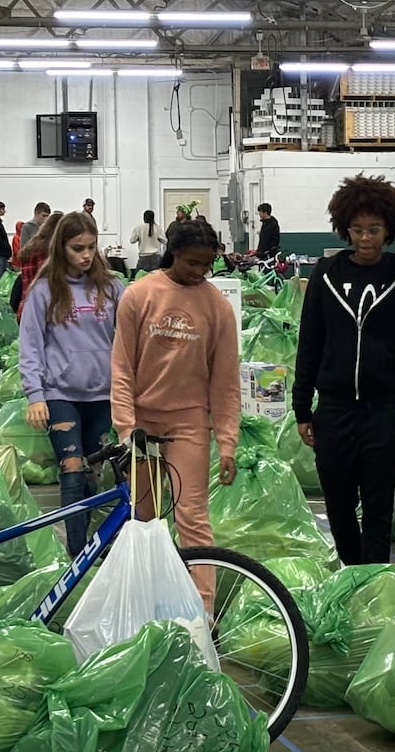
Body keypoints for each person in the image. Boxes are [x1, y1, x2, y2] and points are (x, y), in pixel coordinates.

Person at [293, 176, 395, 565]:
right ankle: (350, 576)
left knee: (378, 508)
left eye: (374, 230)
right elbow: (310, 343)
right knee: (337, 505)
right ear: (344, 228)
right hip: (333, 411)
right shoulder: (325, 274)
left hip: (383, 412)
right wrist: (302, 407)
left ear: (390, 229)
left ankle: (373, 583)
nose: (365, 239)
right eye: (357, 230)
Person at [110, 219, 240, 604]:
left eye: (207, 264)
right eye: (192, 263)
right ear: (173, 254)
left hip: (189, 425)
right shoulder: (139, 295)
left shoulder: (217, 307)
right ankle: (147, 603)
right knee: (145, 522)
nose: (200, 272)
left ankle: (202, 612)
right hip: (141, 426)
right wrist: (125, 428)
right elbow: (121, 368)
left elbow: (226, 381)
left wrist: (227, 442)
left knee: (193, 519)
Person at [18, 211, 124, 556]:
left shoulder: (110, 287)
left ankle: (96, 548)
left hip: (103, 396)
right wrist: (35, 395)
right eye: (78, 248)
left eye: (92, 247)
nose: (86, 255)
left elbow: (130, 339)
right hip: (60, 394)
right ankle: (75, 555)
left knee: (95, 473)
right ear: (61, 247)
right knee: (72, 468)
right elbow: (31, 344)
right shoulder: (44, 291)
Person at [11, 211, 63, 317]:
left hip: (26, 308)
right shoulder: (47, 250)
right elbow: (46, 284)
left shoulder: (32, 246)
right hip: (41, 312)